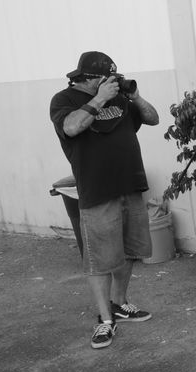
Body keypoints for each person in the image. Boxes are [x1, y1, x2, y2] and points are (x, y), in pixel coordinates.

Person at [49, 51, 159, 349]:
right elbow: (71, 127)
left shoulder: (120, 100)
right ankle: (105, 319)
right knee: (99, 259)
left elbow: (153, 118)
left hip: (130, 185)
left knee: (130, 250)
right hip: (97, 190)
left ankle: (120, 304)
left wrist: (135, 96)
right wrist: (99, 99)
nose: (113, 82)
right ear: (88, 78)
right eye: (107, 78)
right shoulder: (63, 100)